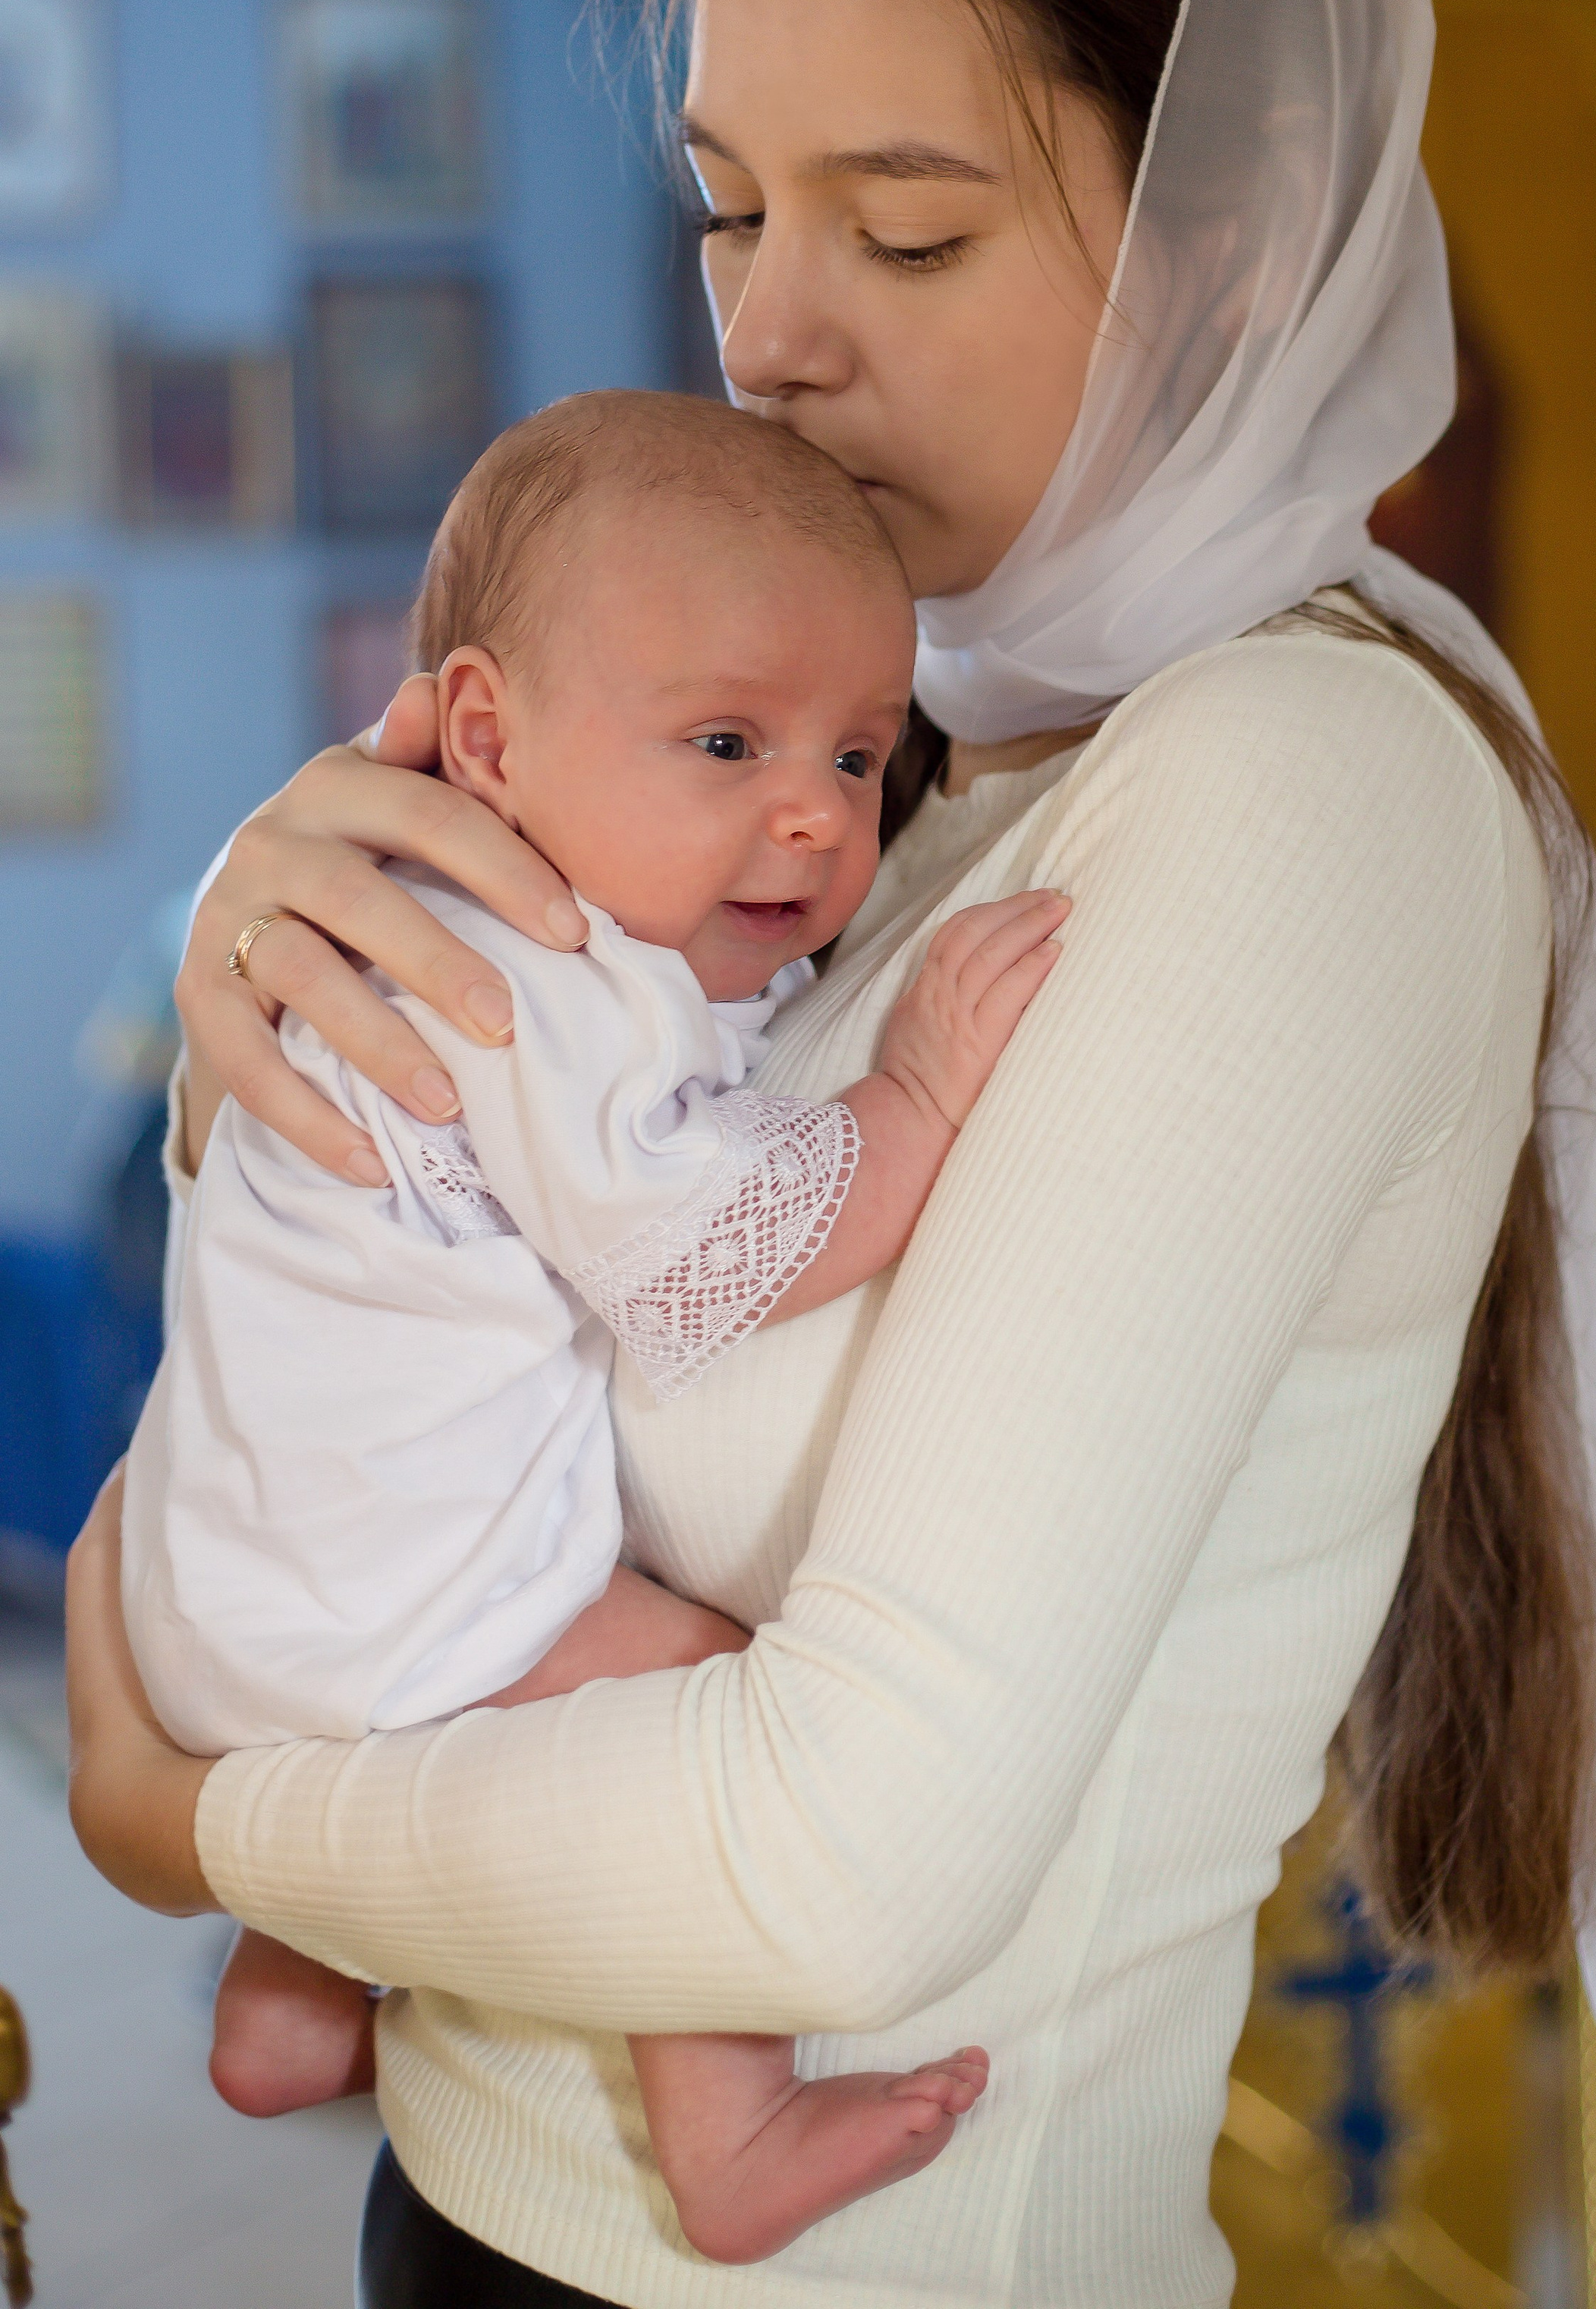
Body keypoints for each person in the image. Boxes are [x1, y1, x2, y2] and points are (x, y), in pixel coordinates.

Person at [66, 0, 1596, 2308]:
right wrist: (283, 1038)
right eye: (727, 206)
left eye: (903, 227)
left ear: (1227, 237)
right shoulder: (887, 769)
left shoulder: (1285, 786)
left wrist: (182, 1812)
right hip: (474, 2217)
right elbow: (383, 1395)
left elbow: (839, 1856)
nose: (775, 332)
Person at [126, 392, 1069, 2261]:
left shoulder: (378, 917)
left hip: (211, 1583)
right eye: (725, 740)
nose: (812, 809)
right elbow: (713, 1256)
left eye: (862, 754)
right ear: (482, 733)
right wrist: (922, 1099)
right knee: (694, 1686)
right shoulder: (550, 978)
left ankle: (291, 1996)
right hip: (379, 1595)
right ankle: (729, 2136)